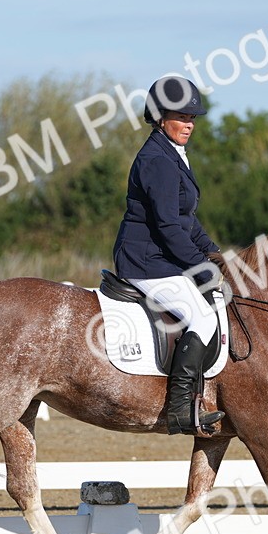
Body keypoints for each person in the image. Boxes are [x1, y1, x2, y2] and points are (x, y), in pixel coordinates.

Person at [113, 76, 225, 435]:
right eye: (182, 117)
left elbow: (185, 219)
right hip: (145, 261)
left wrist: (213, 251)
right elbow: (166, 227)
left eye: (193, 118)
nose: (189, 124)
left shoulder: (173, 153)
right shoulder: (156, 160)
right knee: (204, 318)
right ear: (160, 116)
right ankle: (178, 408)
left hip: (162, 256)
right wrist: (199, 265)